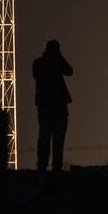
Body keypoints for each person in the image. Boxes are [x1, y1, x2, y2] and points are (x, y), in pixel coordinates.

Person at [32, 40, 73, 171]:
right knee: (57, 138)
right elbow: (69, 71)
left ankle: (43, 165)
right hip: (56, 106)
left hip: (45, 105)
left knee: (45, 136)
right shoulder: (54, 63)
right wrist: (59, 58)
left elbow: (69, 71)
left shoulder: (38, 63)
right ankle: (56, 166)